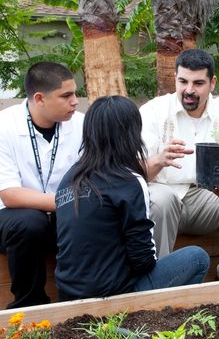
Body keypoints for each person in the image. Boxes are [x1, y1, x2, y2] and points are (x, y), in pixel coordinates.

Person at [55, 96, 209, 300]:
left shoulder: (69, 179)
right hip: (115, 297)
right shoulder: (128, 180)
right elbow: (143, 259)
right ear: (131, 134)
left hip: (68, 296)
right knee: (197, 258)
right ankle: (161, 321)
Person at [140, 48, 219, 280]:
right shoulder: (153, 111)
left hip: (208, 197)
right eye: (183, 81)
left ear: (212, 83)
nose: (189, 90)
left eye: (198, 83)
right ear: (175, 78)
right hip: (165, 197)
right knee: (161, 198)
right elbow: (135, 169)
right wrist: (159, 160)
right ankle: (160, 281)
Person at [0, 61, 84, 308]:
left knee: (83, 217)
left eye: (75, 93)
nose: (75, 101)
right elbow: (10, 195)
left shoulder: (82, 124)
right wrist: (70, 202)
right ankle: (29, 305)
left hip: (60, 217)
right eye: (66, 95)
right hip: (7, 218)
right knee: (29, 222)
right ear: (39, 98)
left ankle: (81, 300)